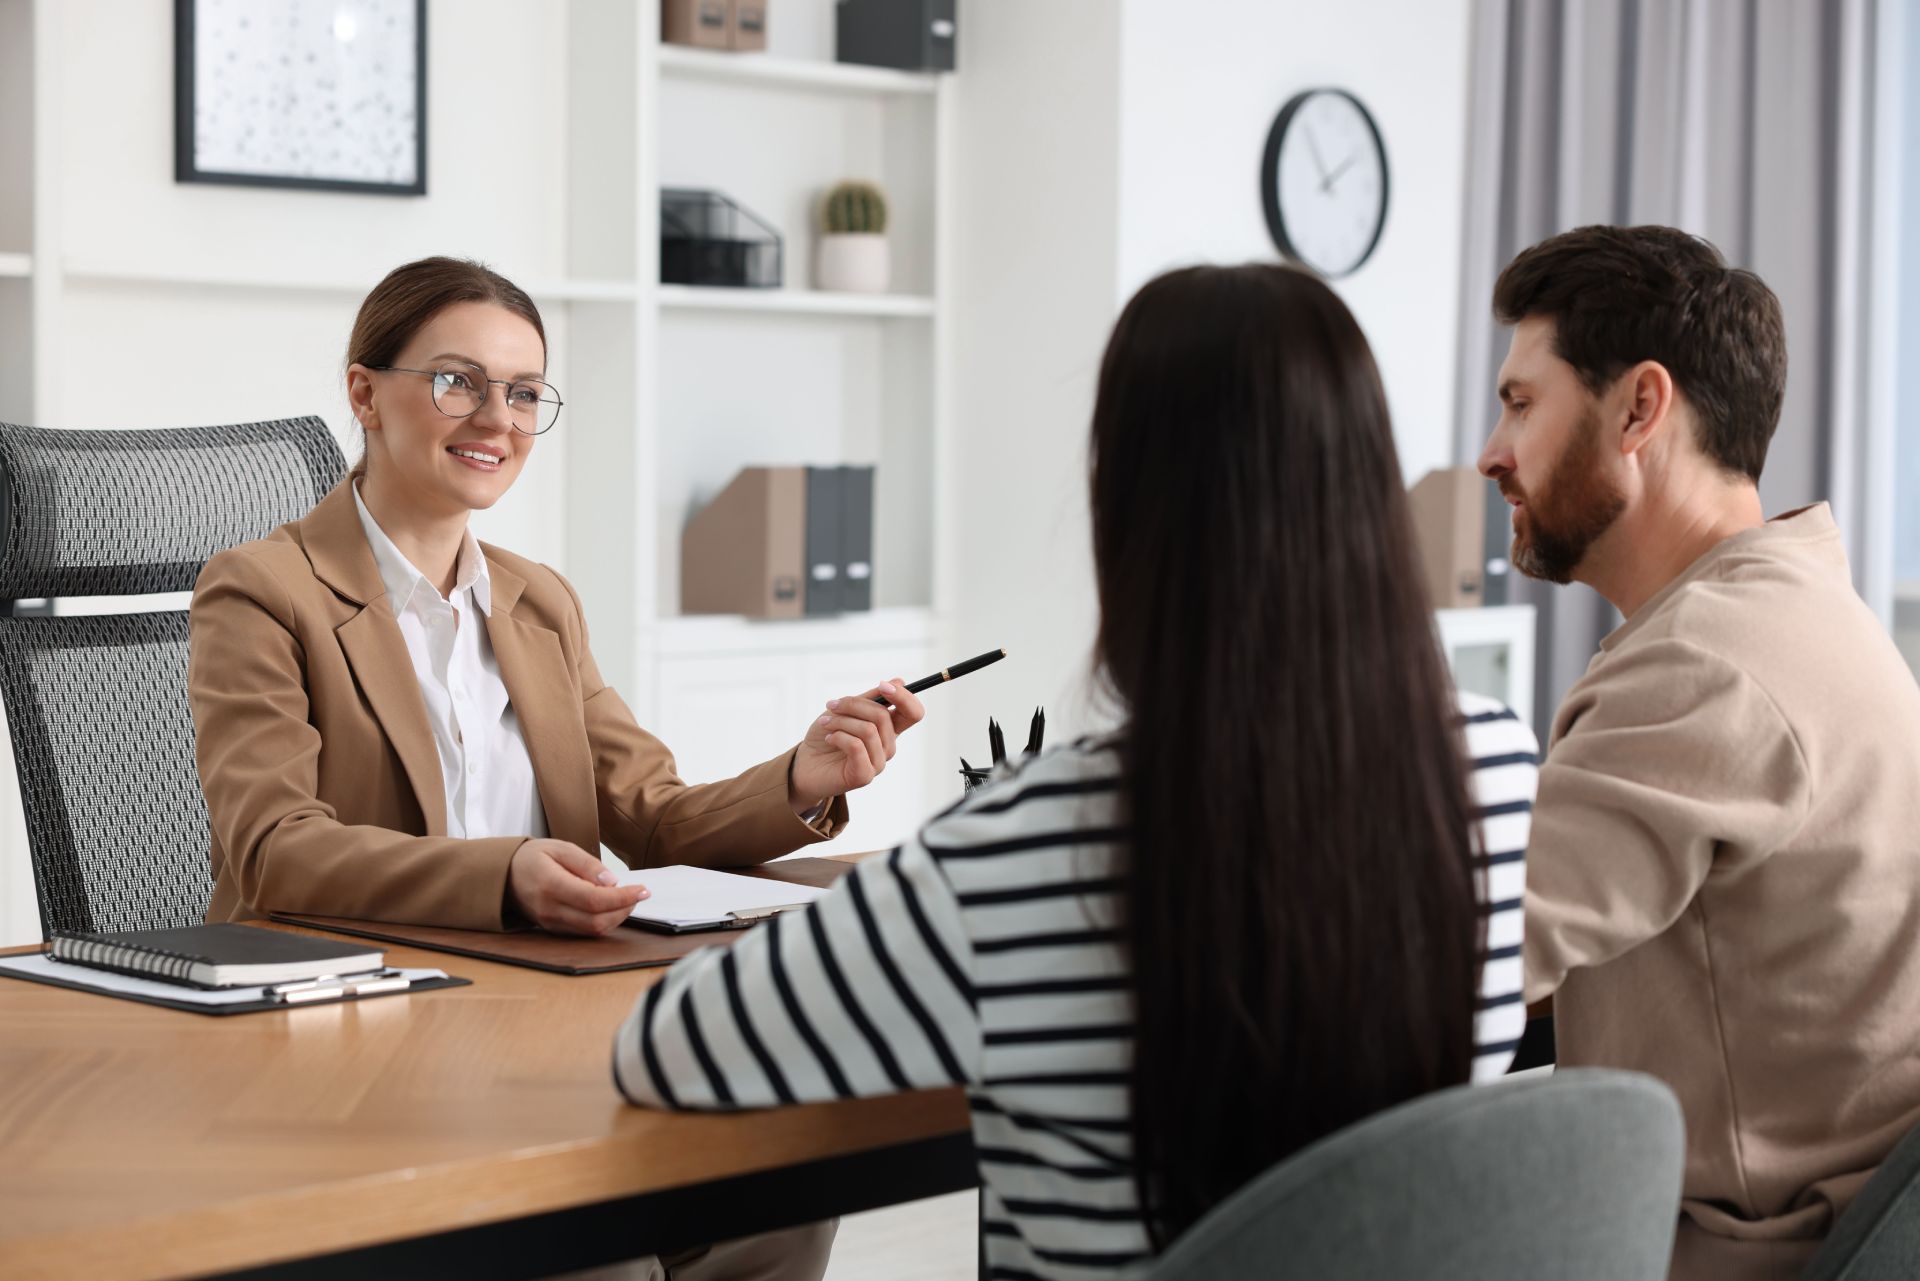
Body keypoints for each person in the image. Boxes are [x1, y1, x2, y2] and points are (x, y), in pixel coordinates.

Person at [611, 263, 1539, 1276]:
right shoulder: (1494, 766)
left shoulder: (1024, 843)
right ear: (1371, 490)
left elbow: (671, 1049)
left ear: (1126, 508)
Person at [187, 256, 921, 1279]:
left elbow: (652, 816)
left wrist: (803, 776)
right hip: (361, 1043)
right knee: (594, 1246)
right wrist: (504, 874)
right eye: (458, 381)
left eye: (525, 392)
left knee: (787, 1185)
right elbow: (275, 851)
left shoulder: (539, 603)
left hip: (553, 1019)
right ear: (365, 391)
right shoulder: (263, 592)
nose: (497, 417)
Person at [1478, 224, 1920, 1281]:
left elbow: (1446, 962)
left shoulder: (1703, 668)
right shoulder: (1804, 608)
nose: (1494, 453)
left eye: (1520, 404)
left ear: (1639, 408)